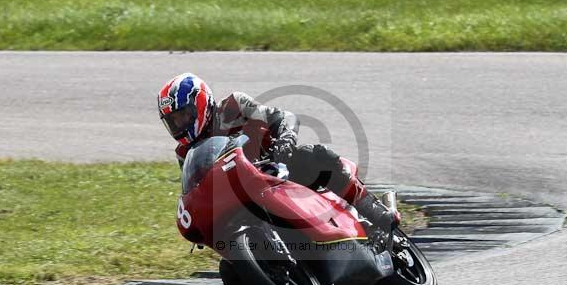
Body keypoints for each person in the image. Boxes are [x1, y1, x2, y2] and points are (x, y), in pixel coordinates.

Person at [157, 72, 398, 232]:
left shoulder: (234, 105)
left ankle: (374, 211)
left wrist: (285, 140)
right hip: (242, 198)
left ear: (200, 103)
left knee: (318, 156)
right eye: (173, 121)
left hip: (279, 168)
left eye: (184, 115)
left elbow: (283, 117)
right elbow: (198, 190)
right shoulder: (184, 152)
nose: (180, 124)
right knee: (231, 276)